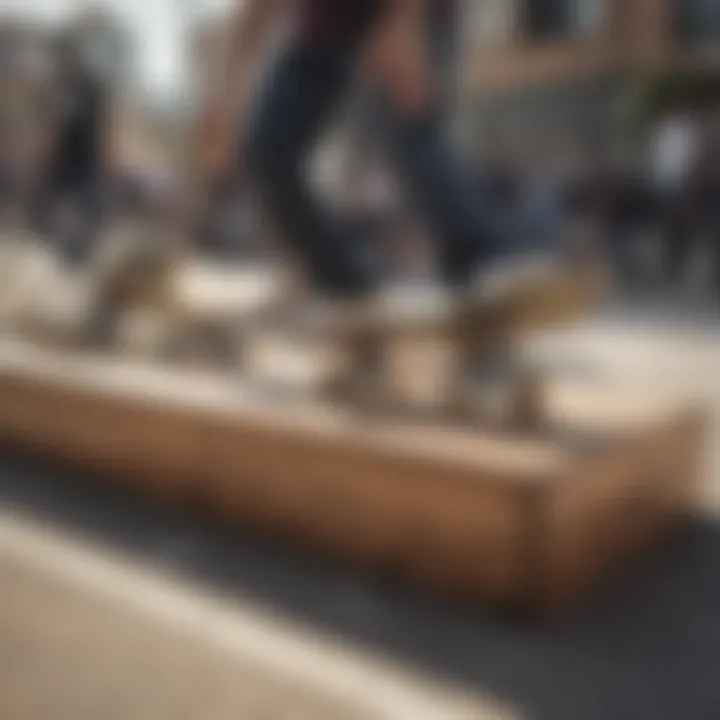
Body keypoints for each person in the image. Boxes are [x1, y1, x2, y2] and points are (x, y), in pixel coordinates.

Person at [198, 0, 554, 326]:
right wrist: (222, 98)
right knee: (268, 150)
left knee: (406, 124)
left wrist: (403, 24)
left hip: (416, 11)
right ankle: (341, 285)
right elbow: (255, 14)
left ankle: (487, 263)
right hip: (329, 25)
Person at [33, 34, 109, 266]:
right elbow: (45, 126)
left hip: (85, 163)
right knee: (46, 210)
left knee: (86, 212)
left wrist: (105, 162)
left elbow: (104, 127)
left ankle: (83, 255)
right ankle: (52, 254)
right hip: (58, 163)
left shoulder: (90, 87)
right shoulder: (53, 87)